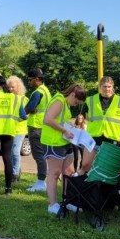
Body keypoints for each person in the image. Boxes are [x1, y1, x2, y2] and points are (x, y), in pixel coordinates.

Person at [41, 84, 86, 214]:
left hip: (63, 141)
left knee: (69, 172)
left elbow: (60, 120)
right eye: (76, 101)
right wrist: (65, 130)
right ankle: (52, 205)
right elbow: (48, 119)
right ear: (72, 94)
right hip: (53, 142)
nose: (75, 104)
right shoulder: (59, 100)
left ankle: (69, 200)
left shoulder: (65, 103)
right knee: (54, 173)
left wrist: (71, 128)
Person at [0, 75, 27, 194]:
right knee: (7, 158)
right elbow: (23, 116)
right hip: (9, 131)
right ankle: (8, 189)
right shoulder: (16, 98)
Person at [81, 76, 120, 173]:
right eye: (104, 86)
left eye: (109, 86)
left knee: (108, 169)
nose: (107, 89)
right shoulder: (90, 100)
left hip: (111, 139)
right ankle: (81, 185)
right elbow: (86, 117)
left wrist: (114, 128)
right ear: (99, 87)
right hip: (93, 139)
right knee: (85, 165)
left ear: (112, 86)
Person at [25, 68, 52, 192]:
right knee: (43, 155)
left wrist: (27, 110)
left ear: (37, 79)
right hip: (44, 126)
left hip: (35, 127)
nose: (29, 82)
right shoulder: (46, 91)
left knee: (38, 156)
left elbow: (29, 107)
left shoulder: (37, 92)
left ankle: (41, 182)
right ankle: (42, 181)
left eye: (30, 79)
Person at [7, 75, 28, 181]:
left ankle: (14, 174)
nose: (10, 89)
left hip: (20, 129)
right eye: (9, 87)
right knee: (11, 152)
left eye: (13, 87)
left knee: (15, 151)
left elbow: (26, 115)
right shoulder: (9, 98)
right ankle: (17, 171)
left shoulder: (24, 99)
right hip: (10, 129)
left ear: (18, 87)